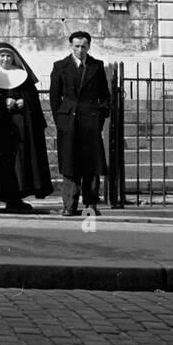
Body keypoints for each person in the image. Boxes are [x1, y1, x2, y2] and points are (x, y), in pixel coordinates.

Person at [0, 42, 53, 212]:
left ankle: (15, 199)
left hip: (19, 130)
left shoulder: (22, 76)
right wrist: (2, 102)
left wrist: (23, 101)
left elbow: (32, 99)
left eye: (9, 56)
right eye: (2, 55)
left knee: (19, 165)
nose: (5, 59)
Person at [49, 31, 111, 215]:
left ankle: (90, 203)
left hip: (90, 121)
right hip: (69, 121)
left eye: (84, 46)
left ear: (89, 47)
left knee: (91, 164)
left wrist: (100, 117)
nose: (80, 50)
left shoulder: (96, 66)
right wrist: (60, 120)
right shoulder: (60, 66)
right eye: (77, 46)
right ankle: (69, 205)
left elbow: (105, 96)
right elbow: (54, 97)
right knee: (69, 164)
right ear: (71, 46)